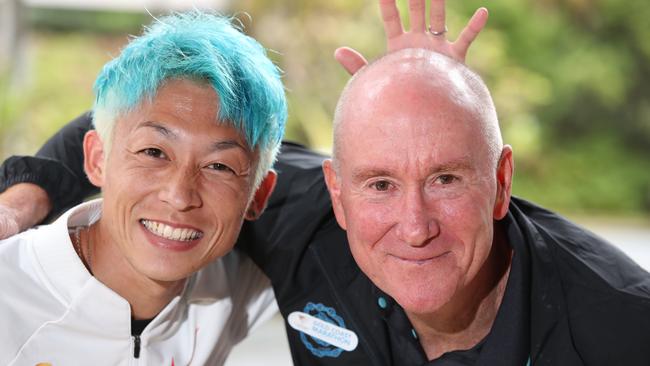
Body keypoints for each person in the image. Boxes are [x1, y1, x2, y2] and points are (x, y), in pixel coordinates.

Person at [15, 1, 647, 365]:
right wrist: (21, 199)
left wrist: (436, 106)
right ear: (337, 192)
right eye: (379, 184)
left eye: (448, 177)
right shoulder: (292, 212)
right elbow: (149, 132)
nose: (415, 224)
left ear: (501, 180)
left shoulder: (620, 326)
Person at [0, 11, 287, 364]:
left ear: (258, 195)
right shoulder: (8, 293)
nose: (180, 196)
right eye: (154, 152)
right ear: (96, 159)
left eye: (219, 166)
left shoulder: (235, 285)